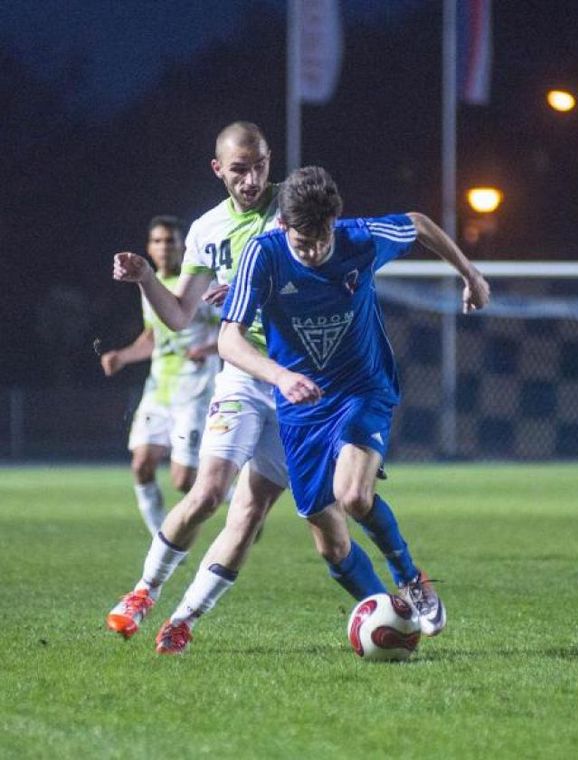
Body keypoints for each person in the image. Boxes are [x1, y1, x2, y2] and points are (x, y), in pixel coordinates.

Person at [218, 166, 489, 637]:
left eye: (322, 240)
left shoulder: (360, 238)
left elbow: (419, 223)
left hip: (363, 388)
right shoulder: (261, 256)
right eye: (304, 243)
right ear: (283, 226)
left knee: (354, 495)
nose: (315, 251)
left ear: (334, 224)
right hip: (300, 407)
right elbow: (228, 340)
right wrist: (281, 377)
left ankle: (410, 579)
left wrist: (470, 273)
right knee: (330, 544)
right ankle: (386, 618)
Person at [103, 122, 311, 655]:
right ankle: (143, 593)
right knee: (208, 492)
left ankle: (186, 619)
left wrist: (256, 286)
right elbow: (177, 315)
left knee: (251, 512)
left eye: (259, 165)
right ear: (218, 169)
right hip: (244, 372)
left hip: (301, 381)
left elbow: (322, 270)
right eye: (238, 169)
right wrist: (148, 276)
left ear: (270, 160)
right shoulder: (207, 230)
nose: (250, 178)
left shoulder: (296, 208)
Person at [100, 216, 220, 535]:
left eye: (171, 240)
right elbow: (153, 337)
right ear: (149, 248)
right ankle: (161, 538)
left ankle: (232, 493)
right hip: (159, 391)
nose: (165, 246)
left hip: (196, 393)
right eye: (158, 241)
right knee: (141, 465)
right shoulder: (150, 286)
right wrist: (122, 356)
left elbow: (238, 331)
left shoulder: (203, 284)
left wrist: (208, 350)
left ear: (183, 246)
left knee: (183, 481)